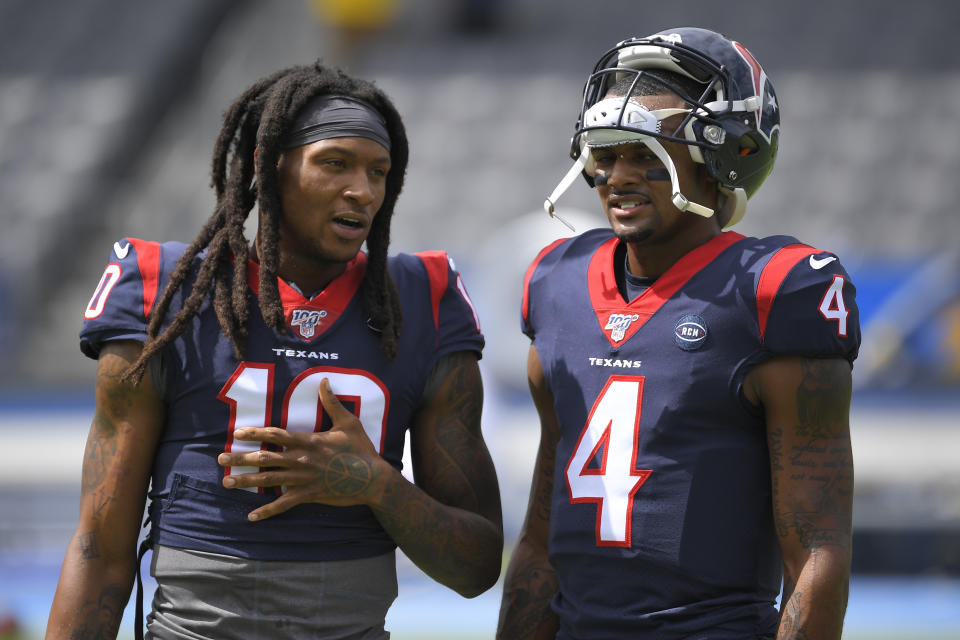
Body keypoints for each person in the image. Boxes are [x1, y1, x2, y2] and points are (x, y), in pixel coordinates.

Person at [46, 62, 503, 640]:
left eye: (378, 172)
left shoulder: (424, 300)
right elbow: (99, 547)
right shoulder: (164, 292)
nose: (362, 191)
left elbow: (478, 567)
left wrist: (380, 486)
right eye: (334, 163)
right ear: (269, 167)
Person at [497, 27, 858, 640]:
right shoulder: (556, 284)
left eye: (647, 154)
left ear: (725, 155)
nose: (617, 176)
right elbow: (540, 539)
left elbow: (817, 552)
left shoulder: (772, 292)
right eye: (606, 153)